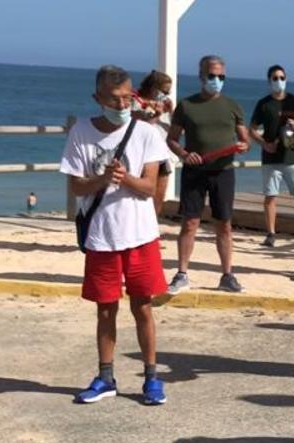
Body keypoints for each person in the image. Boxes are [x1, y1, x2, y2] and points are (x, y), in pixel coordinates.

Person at [60, 65, 171, 405]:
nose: (122, 105)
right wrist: (103, 179)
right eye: (114, 99)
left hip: (140, 236)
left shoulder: (147, 133)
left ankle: (152, 377)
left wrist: (125, 178)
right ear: (98, 98)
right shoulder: (81, 131)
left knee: (144, 307)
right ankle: (105, 375)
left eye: (127, 98)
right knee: (105, 309)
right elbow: (76, 185)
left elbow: (150, 187)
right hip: (101, 235)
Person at [166, 55, 250, 294]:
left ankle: (227, 275)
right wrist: (184, 154)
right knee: (190, 223)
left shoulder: (232, 105)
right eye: (212, 75)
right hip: (195, 171)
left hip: (223, 172)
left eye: (221, 76)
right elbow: (171, 139)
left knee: (224, 224)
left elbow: (245, 140)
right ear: (201, 76)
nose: (216, 80)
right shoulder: (186, 105)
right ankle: (182, 274)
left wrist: (244, 146)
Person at [249, 64, 294, 248]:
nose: (279, 81)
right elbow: (252, 129)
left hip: (292, 157)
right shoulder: (264, 104)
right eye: (275, 78)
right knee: (270, 196)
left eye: (282, 77)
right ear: (269, 81)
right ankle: (271, 233)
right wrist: (264, 143)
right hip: (271, 158)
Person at [134, 70, 174, 218]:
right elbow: (139, 128)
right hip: (141, 157)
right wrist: (156, 115)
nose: (166, 96)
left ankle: (152, 228)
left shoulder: (163, 105)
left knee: (158, 199)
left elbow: (177, 129)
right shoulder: (135, 102)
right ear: (153, 88)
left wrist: (171, 112)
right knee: (140, 199)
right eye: (164, 92)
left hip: (162, 156)